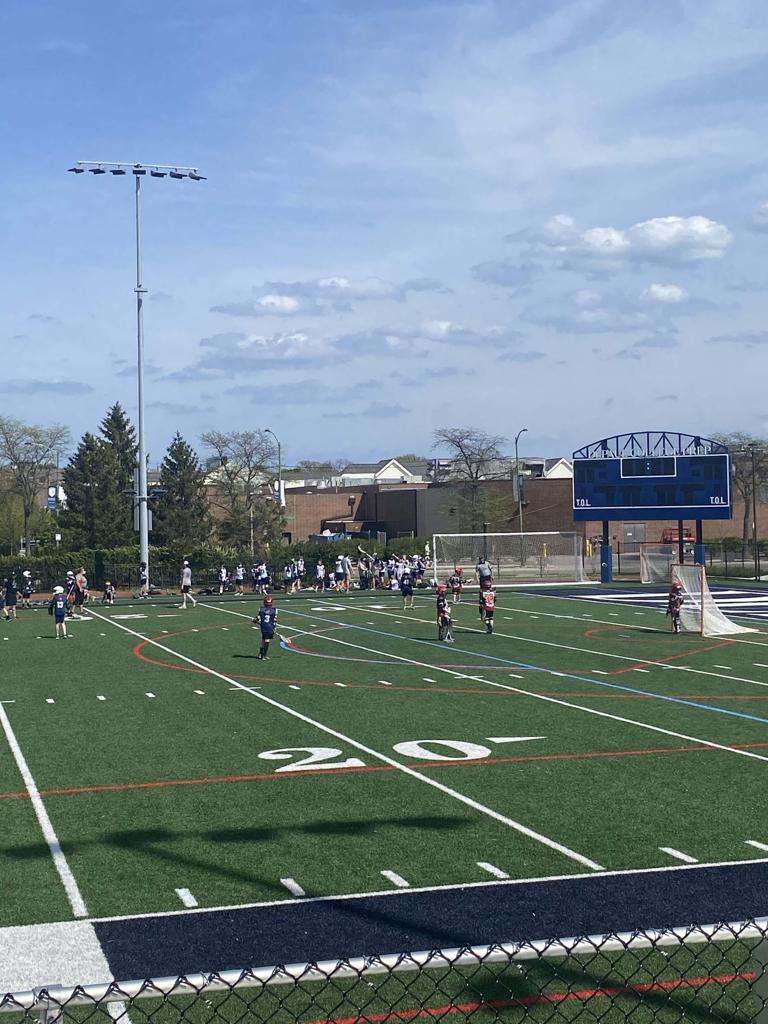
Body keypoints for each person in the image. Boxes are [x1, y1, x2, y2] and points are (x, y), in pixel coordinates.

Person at [254, 594, 278, 659]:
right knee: (267, 640)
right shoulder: (274, 610)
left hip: (263, 627)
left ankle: (260, 654)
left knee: (263, 640)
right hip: (270, 627)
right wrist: (275, 627)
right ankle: (264, 655)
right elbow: (275, 620)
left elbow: (257, 618)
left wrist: (255, 621)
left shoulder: (261, 609)